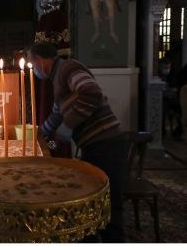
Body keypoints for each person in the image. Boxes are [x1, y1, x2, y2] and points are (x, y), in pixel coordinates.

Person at [28, 42, 127, 242]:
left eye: (32, 64)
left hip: (105, 142)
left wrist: (68, 124)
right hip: (94, 144)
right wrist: (39, 134)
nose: (33, 69)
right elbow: (57, 113)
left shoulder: (68, 68)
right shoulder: (58, 77)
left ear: (39, 60)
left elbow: (91, 92)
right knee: (93, 197)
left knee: (108, 200)